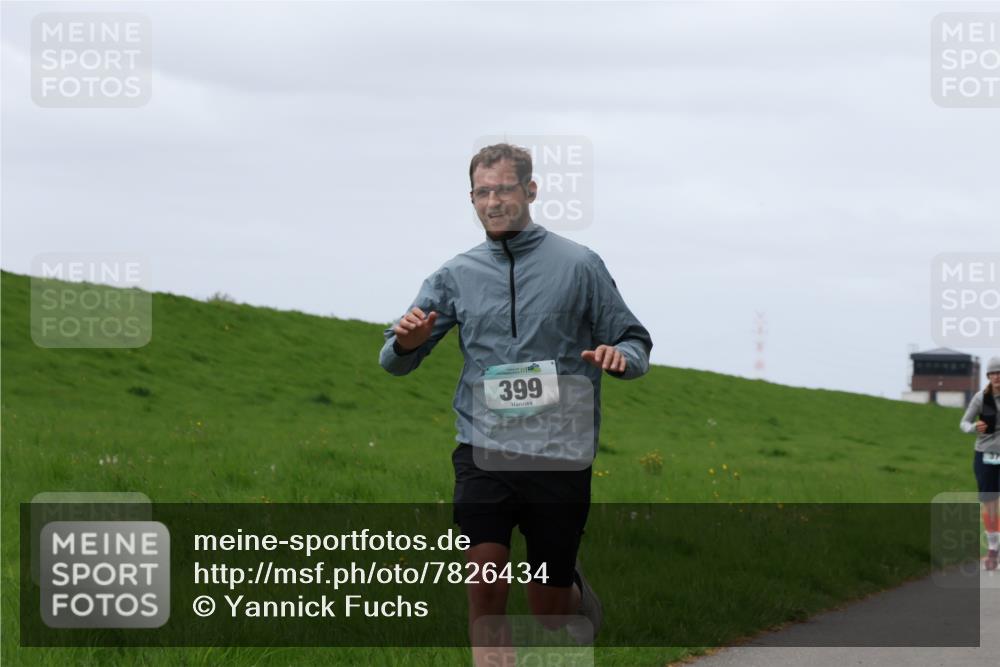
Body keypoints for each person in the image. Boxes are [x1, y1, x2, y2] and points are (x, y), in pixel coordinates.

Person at [379, 143, 652, 660]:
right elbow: (394, 357)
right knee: (485, 582)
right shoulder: (454, 275)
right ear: (471, 197)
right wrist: (408, 343)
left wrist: (621, 357)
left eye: (504, 189)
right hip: (484, 448)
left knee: (548, 611)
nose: (493, 202)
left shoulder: (579, 265)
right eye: (483, 192)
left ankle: (575, 598)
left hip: (559, 451)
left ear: (530, 190)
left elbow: (635, 340)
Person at [960, 356, 1000, 571]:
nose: (996, 377)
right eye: (993, 373)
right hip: (984, 454)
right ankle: (993, 549)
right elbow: (963, 423)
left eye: (999, 373)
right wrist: (974, 427)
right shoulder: (980, 398)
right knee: (989, 501)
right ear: (988, 376)